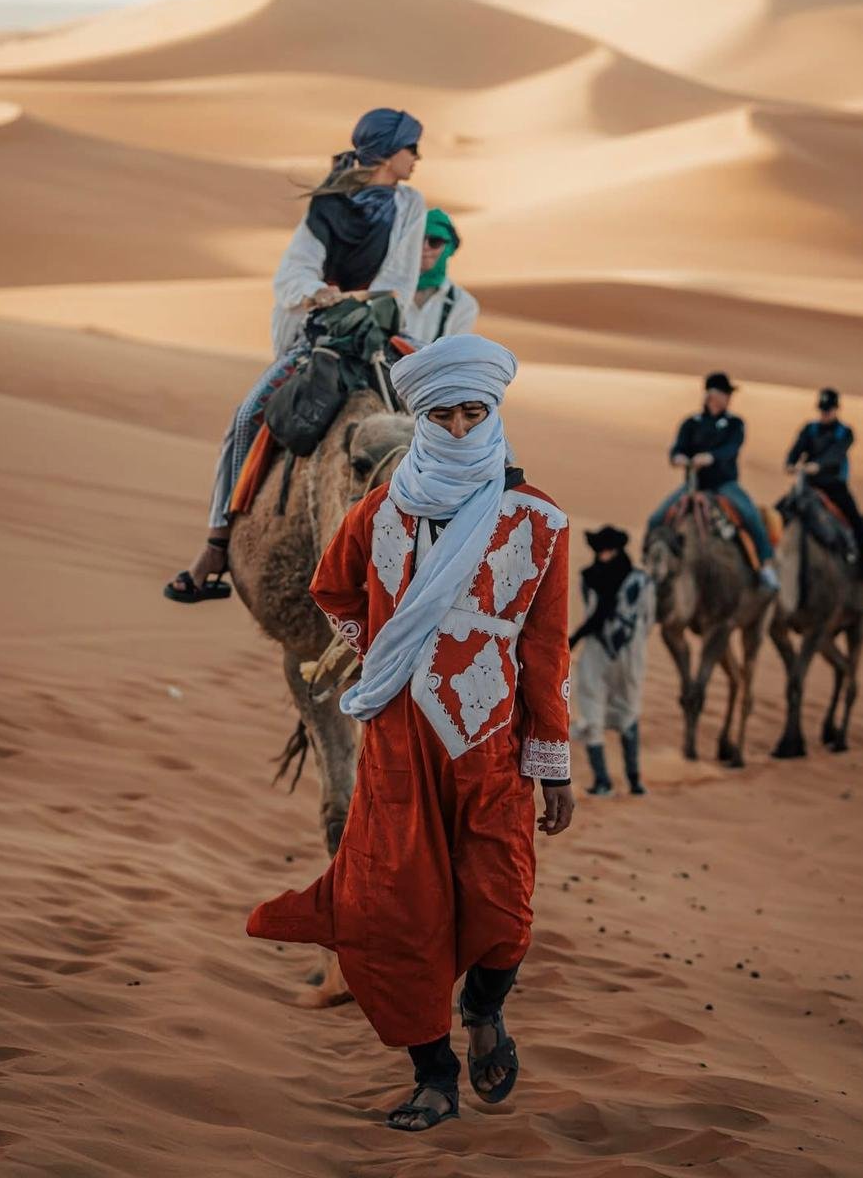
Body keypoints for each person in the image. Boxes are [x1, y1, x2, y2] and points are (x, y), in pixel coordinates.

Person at [247, 335, 574, 1133]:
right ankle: (433, 1075)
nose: (459, 429)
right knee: (397, 911)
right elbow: (331, 587)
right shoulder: (380, 514)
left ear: (494, 413)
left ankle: (485, 1010)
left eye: (474, 413)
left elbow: (545, 646)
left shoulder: (539, 522)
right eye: (444, 415)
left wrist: (554, 764)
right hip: (396, 750)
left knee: (505, 906)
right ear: (420, 418)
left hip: (489, 747)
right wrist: (385, 651)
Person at [164, 108, 426, 602]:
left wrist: (356, 300)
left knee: (456, 406)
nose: (417, 157)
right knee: (246, 418)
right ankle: (216, 544)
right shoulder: (329, 205)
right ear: (387, 152)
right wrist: (321, 294)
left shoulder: (409, 205)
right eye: (410, 147)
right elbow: (293, 273)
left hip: (381, 330)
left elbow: (399, 281)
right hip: (322, 334)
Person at [647, 372, 779, 590]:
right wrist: (678, 458)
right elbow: (678, 448)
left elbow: (732, 448)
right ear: (712, 395)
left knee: (751, 516)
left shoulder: (735, 424)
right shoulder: (691, 423)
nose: (728, 398)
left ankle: (765, 566)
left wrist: (711, 457)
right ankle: (650, 566)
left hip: (724, 485)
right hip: (693, 485)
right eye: (725, 393)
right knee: (656, 519)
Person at [569, 526, 654, 797]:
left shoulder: (641, 581)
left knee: (629, 710)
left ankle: (634, 780)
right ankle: (602, 781)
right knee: (591, 708)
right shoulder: (589, 578)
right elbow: (592, 612)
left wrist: (631, 641)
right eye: (600, 550)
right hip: (598, 651)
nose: (604, 555)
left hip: (629, 654)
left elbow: (647, 618)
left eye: (608, 550)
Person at [784, 388, 863, 581]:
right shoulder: (809, 429)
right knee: (782, 509)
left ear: (836, 409)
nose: (825, 413)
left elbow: (836, 454)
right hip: (809, 486)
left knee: (856, 522)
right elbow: (797, 448)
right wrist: (790, 463)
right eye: (823, 410)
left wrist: (818, 465)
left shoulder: (845, 432)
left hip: (835, 487)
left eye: (828, 410)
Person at [406, 209, 478, 344]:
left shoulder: (462, 303)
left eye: (435, 241)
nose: (425, 247)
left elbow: (455, 352)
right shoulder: (386, 292)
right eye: (418, 239)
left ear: (449, 247)